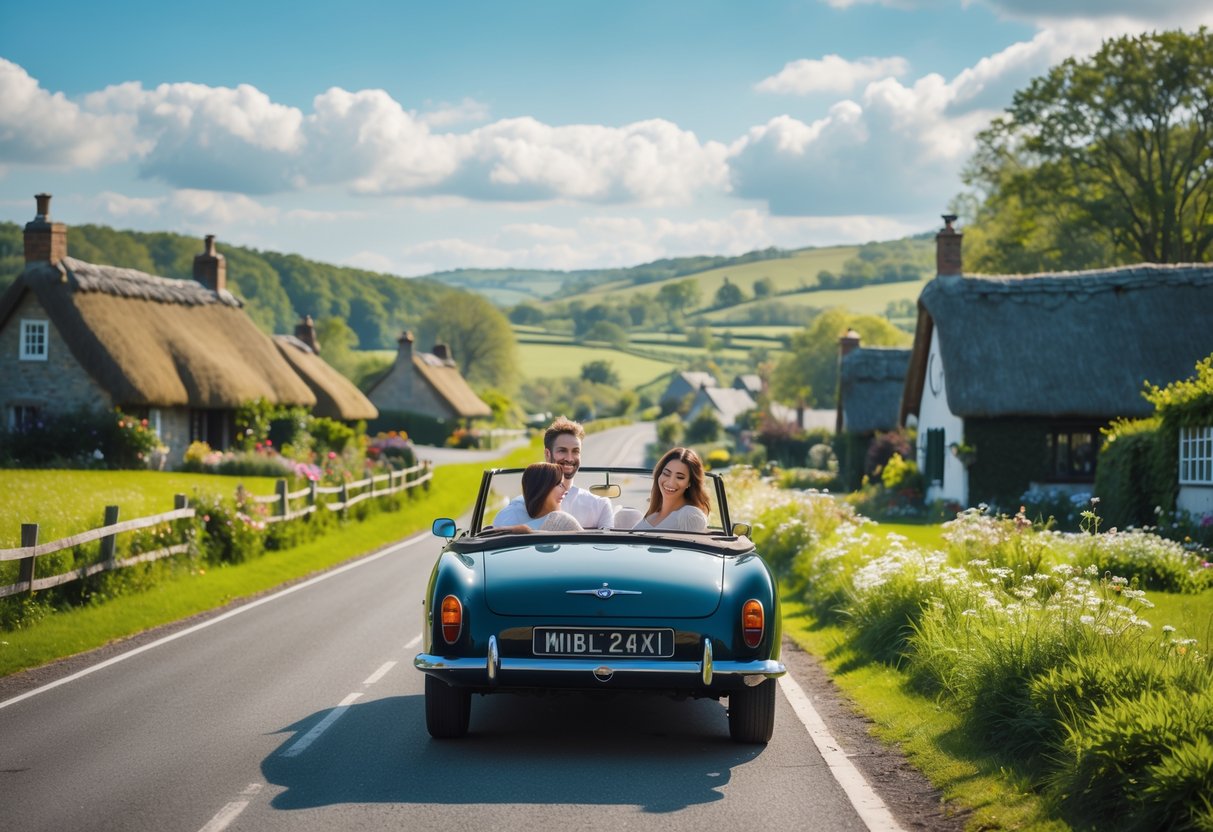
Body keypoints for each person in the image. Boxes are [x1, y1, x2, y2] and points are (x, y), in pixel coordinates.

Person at [491, 416, 613, 529]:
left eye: (575, 451)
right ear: (547, 454)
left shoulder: (599, 506)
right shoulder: (515, 510)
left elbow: (608, 549)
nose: (570, 458)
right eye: (562, 451)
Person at [487, 462, 583, 533]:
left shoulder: (562, 520)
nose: (565, 491)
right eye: (559, 485)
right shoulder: (560, 520)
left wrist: (527, 532)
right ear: (543, 488)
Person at [634, 447, 710, 532]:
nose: (671, 483)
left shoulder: (689, 515)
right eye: (666, 474)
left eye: (680, 477)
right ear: (659, 474)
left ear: (689, 482)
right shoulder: (651, 516)